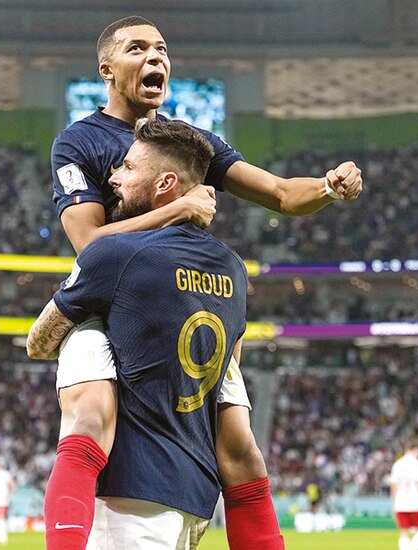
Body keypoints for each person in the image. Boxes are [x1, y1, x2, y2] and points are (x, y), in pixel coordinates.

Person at [45, 14, 361, 550]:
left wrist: (329, 187)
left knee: (242, 449)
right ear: (106, 69)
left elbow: (283, 195)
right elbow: (90, 243)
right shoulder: (79, 141)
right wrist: (179, 209)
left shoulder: (189, 142)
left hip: (191, 302)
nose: (155, 57)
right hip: (119, 305)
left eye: (162, 49)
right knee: (91, 421)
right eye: (137, 48)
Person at [30, 118, 268, 549]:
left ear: (165, 184)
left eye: (127, 167)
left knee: (83, 338)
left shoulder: (116, 254)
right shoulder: (233, 269)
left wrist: (84, 328)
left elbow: (38, 343)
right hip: (196, 500)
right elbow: (230, 373)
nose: (113, 178)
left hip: (131, 498)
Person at [390, 439, 418, 550]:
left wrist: (394, 504)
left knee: (404, 533)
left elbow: (394, 487)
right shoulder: (417, 464)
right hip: (416, 503)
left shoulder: (397, 464)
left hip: (400, 503)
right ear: (415, 449)